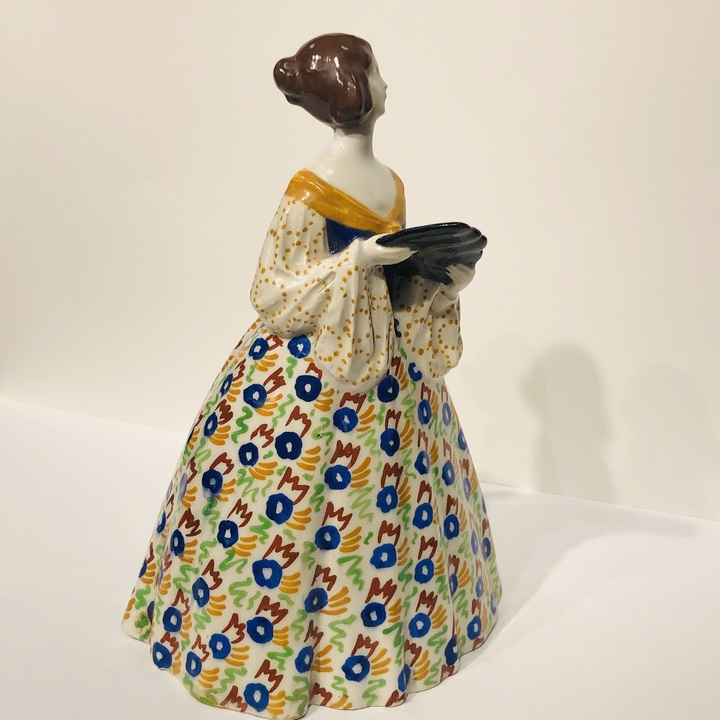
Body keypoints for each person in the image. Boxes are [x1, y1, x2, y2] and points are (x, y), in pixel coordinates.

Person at [122, 33, 501, 719]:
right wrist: (358, 263)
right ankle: (268, 643)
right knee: (284, 500)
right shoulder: (306, 192)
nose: (386, 85)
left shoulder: (392, 183)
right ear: (351, 90)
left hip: (385, 365)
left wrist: (434, 274)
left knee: (390, 500)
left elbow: (395, 282)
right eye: (376, 73)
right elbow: (272, 292)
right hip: (308, 372)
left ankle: (383, 626)